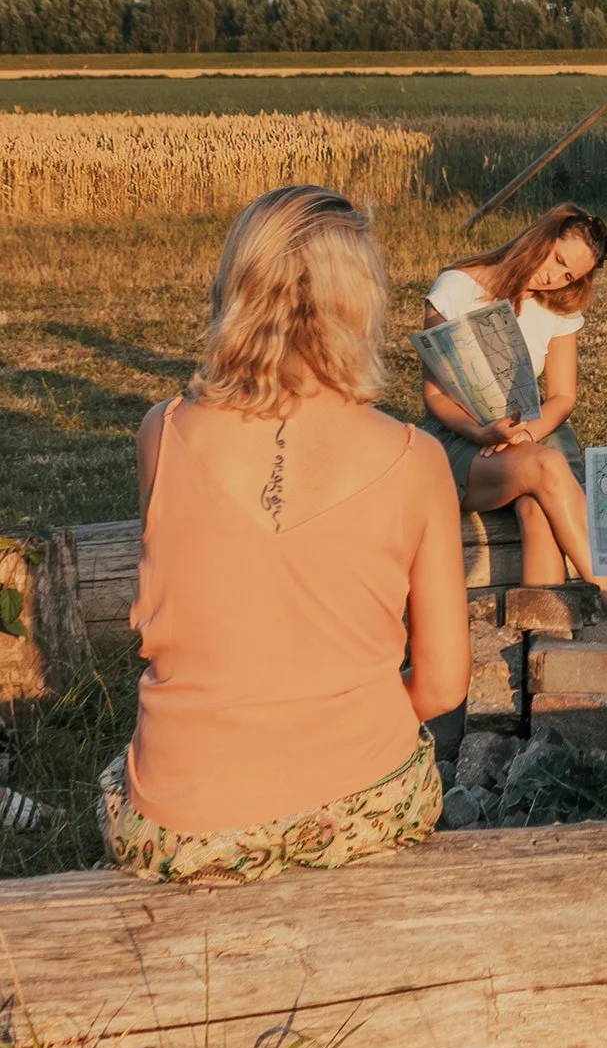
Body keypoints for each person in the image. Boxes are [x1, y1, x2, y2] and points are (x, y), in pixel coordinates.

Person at [101, 186, 468, 882]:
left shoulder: (165, 431)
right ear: (361, 302)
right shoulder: (416, 460)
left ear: (235, 287)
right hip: (361, 801)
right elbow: (445, 684)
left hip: (181, 823)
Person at [419, 204, 607, 610]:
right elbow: (436, 396)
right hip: (462, 438)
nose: (554, 277)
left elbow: (564, 397)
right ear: (541, 237)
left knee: (538, 511)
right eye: (558, 260)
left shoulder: (557, 305)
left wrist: (525, 434)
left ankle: (540, 641)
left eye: (569, 275)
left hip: (531, 434)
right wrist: (483, 433)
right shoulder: (456, 289)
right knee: (547, 468)